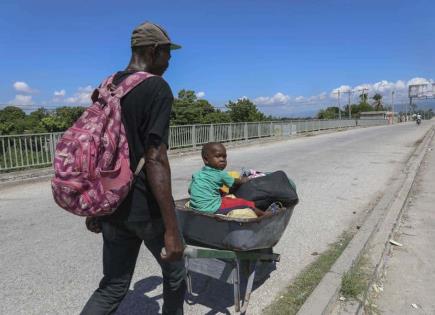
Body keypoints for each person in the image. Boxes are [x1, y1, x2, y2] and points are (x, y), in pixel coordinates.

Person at [81, 22, 185, 315]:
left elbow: (97, 151)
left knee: (113, 286)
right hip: (145, 208)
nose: (169, 61)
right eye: (167, 54)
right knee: (175, 276)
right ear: (153, 51)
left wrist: (95, 206)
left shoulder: (108, 85)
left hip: (111, 205)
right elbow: (154, 157)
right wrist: (172, 228)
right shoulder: (156, 87)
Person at [188, 142, 265, 217]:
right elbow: (237, 181)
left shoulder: (197, 175)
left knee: (226, 198)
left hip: (195, 207)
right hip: (212, 208)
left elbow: (190, 190)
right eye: (218, 156)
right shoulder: (220, 173)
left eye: (224, 157)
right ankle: (265, 214)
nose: (222, 159)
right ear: (206, 159)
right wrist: (248, 178)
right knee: (244, 203)